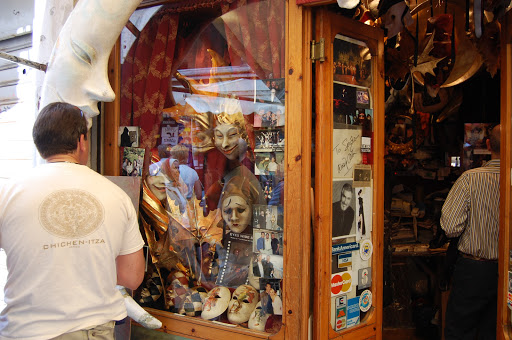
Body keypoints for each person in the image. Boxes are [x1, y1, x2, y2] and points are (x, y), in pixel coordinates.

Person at [0, 102, 145, 339]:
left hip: (23, 331)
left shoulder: (6, 193)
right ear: (81, 141)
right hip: (93, 331)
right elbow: (132, 276)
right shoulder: (117, 195)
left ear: (40, 144)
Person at [440, 124, 500, 340]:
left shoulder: (470, 179)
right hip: (507, 271)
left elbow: (450, 226)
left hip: (474, 270)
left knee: (460, 331)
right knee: (494, 331)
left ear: (487, 144)